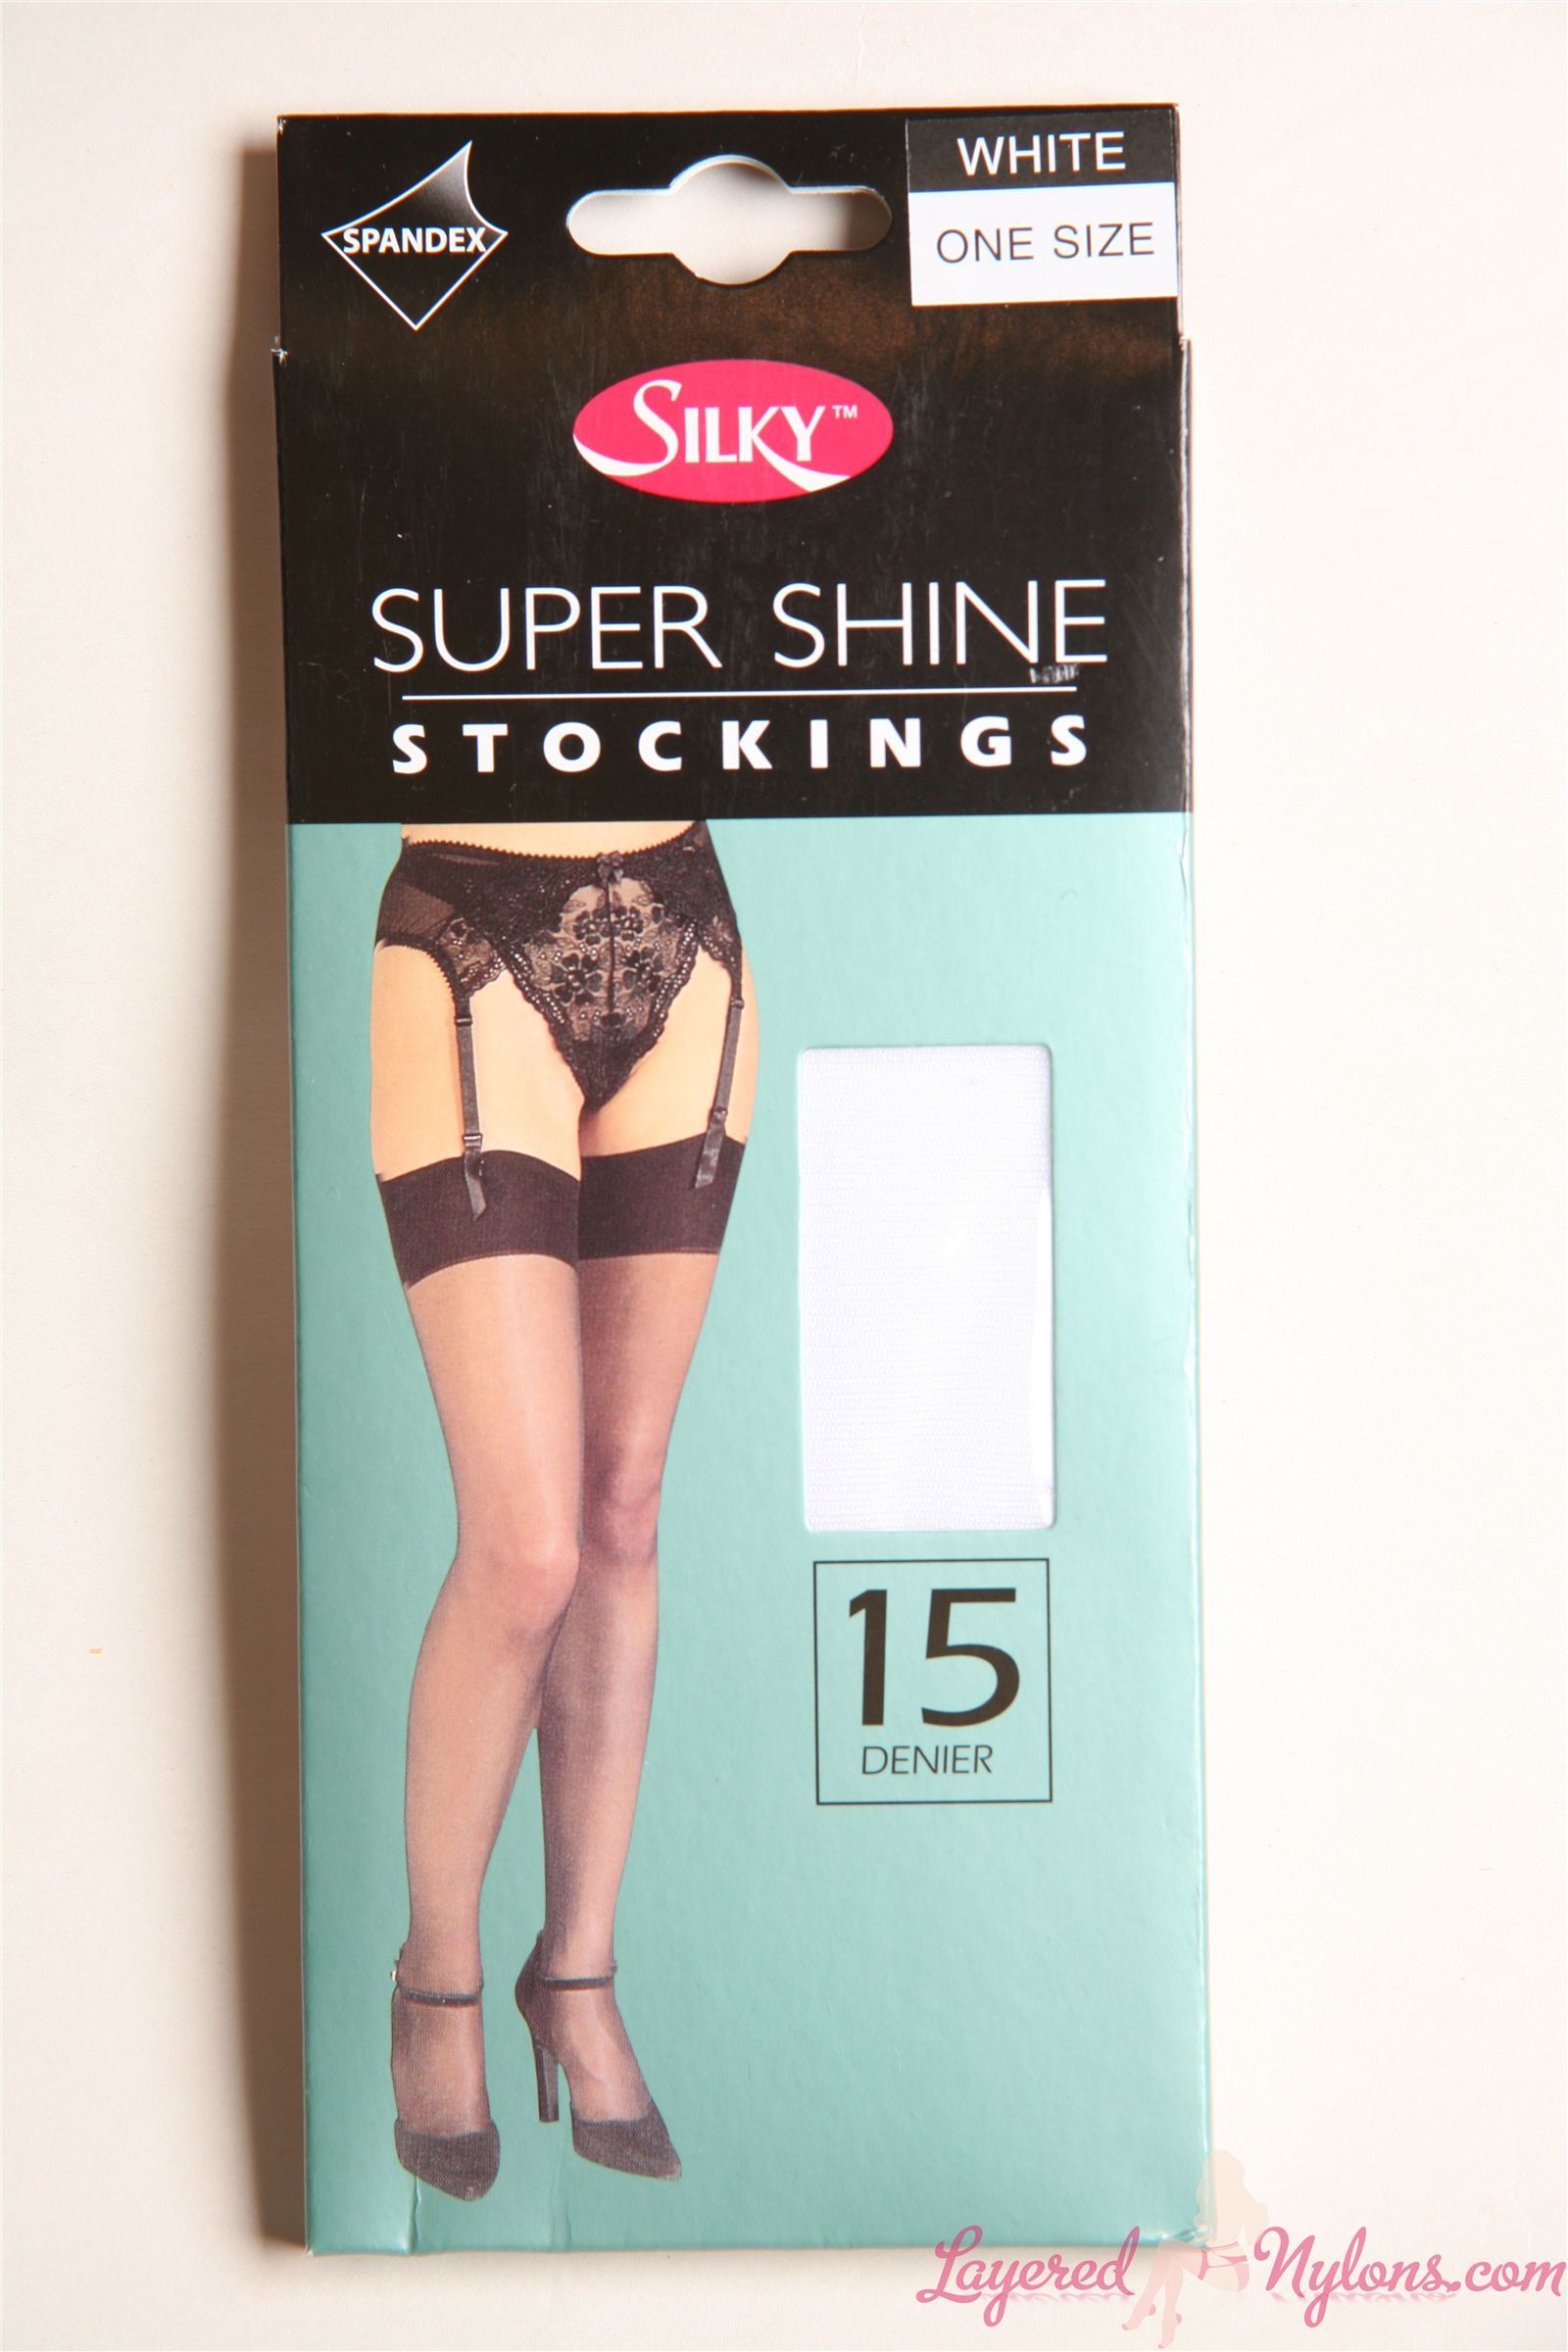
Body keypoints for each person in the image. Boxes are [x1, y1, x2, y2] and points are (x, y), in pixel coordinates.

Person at [368, 816, 758, 2196]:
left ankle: (577, 1972)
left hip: (688, 919)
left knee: (622, 1509)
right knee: (527, 1550)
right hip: (468, 931)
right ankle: (438, 1977)